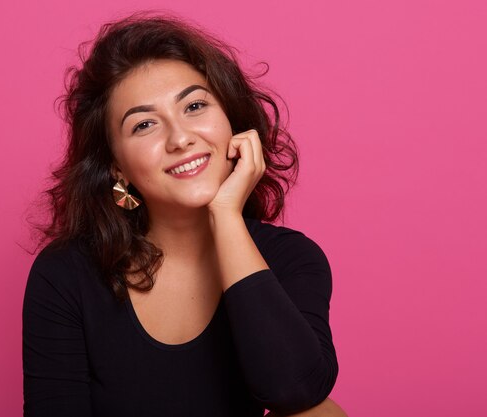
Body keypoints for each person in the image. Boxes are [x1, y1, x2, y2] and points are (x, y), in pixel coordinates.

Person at [22, 12, 346, 417]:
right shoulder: (67, 274)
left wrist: (225, 216)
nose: (180, 138)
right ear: (117, 168)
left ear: (232, 121)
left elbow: (295, 392)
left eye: (194, 106)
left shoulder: (291, 259)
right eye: (143, 125)